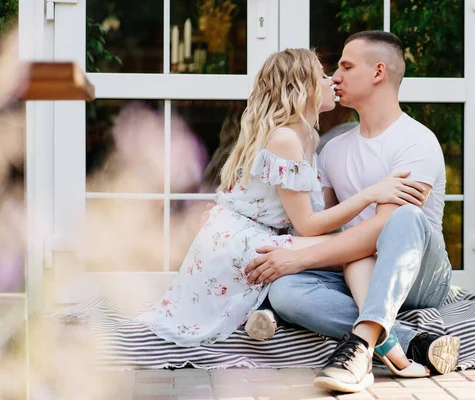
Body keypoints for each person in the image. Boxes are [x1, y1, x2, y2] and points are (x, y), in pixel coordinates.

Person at [135, 48, 412, 346]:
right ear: (304, 87)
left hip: (254, 235)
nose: (331, 80)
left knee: (350, 246)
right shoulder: (285, 139)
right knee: (355, 246)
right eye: (321, 75)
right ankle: (389, 338)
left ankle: (373, 331)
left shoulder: (307, 136)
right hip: (241, 243)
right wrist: (372, 194)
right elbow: (307, 225)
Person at [244, 31, 459, 392]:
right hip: (354, 268)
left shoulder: (415, 141)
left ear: (378, 72)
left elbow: (383, 228)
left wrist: (298, 258)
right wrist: (292, 257)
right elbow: (327, 228)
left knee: (403, 217)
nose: (335, 77)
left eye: (346, 66)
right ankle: (408, 340)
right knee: (286, 293)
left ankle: (359, 346)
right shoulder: (333, 150)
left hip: (418, 274)